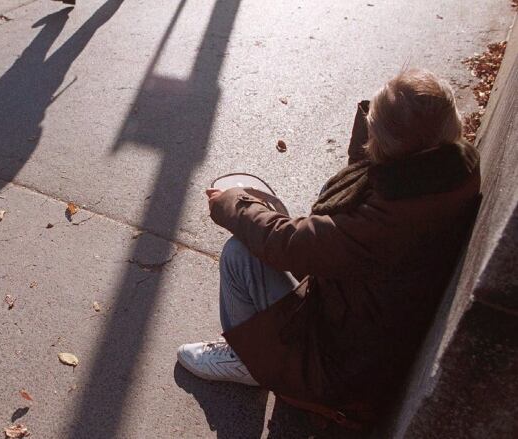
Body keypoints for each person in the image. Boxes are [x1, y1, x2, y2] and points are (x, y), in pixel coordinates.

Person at [177, 69, 481, 428]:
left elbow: (288, 244)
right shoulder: (450, 169)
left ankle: (248, 360)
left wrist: (232, 204)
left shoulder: (382, 224)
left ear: (388, 146)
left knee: (239, 255)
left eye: (375, 127)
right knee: (270, 230)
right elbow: (360, 198)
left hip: (340, 372)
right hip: (363, 324)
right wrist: (379, 126)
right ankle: (256, 349)